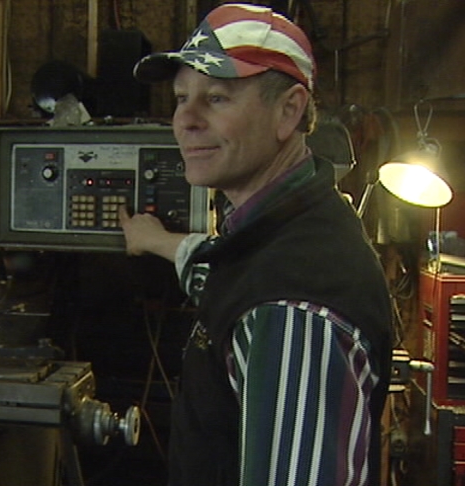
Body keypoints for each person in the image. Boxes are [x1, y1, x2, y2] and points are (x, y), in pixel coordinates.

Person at [118, 4, 393, 486]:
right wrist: (158, 241)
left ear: (289, 110)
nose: (186, 120)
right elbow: (224, 278)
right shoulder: (280, 228)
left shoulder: (293, 312)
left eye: (217, 99)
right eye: (182, 97)